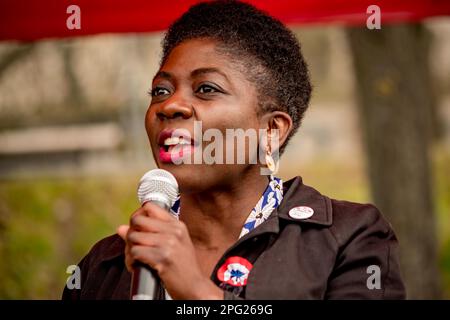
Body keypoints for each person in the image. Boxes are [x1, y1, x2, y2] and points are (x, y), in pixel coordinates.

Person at [62, 0, 406, 300]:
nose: (170, 106)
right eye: (160, 91)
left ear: (270, 130)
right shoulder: (105, 265)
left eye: (206, 88)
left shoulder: (347, 238)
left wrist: (196, 290)